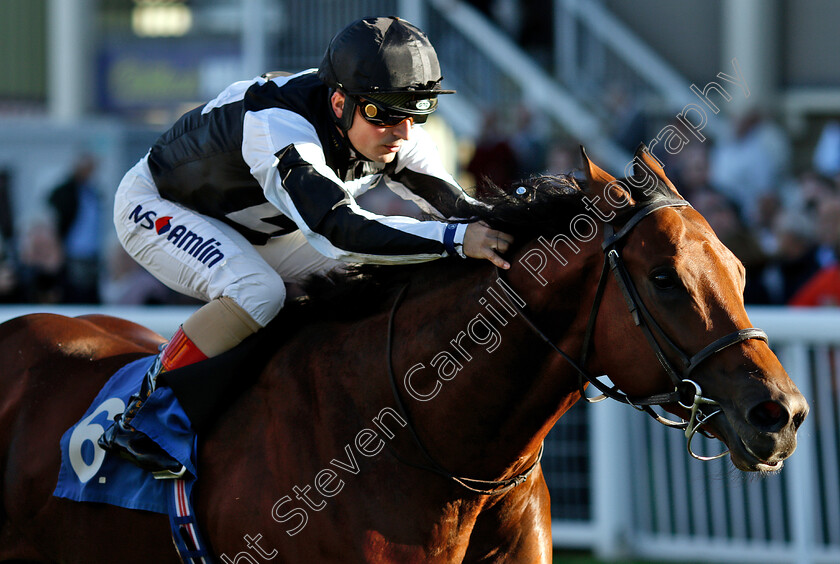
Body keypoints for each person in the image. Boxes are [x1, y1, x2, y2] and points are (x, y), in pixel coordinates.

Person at [98, 16, 513, 477]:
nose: (404, 131)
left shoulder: (382, 123)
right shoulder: (278, 126)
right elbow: (340, 231)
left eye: (418, 111)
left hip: (252, 223)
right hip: (156, 204)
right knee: (260, 292)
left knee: (369, 273)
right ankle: (144, 417)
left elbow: (458, 207)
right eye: (387, 113)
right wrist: (457, 241)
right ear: (339, 102)